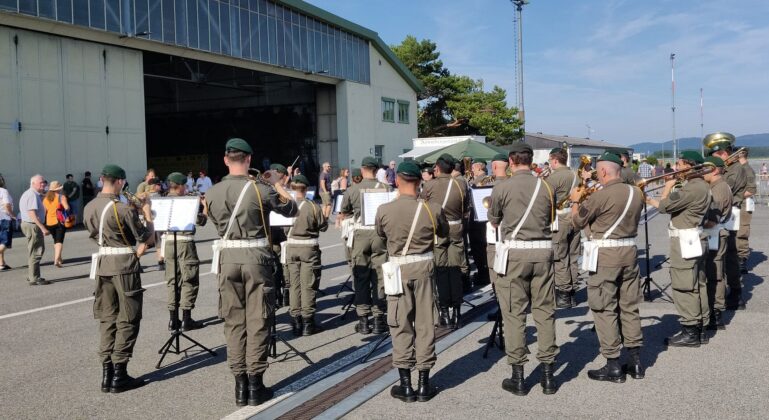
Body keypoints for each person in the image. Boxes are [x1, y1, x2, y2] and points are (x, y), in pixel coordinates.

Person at [205, 138, 297, 407]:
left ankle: (239, 385)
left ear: (225, 159)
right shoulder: (260, 189)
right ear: (249, 160)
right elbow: (291, 209)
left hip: (226, 259)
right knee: (258, 319)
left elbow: (212, 220)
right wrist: (279, 184)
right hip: (256, 258)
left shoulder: (212, 192)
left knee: (233, 321)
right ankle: (256, 384)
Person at [488, 142, 557, 396]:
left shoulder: (502, 186)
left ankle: (518, 377)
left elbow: (494, 222)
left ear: (511, 160)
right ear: (530, 160)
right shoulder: (547, 186)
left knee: (514, 314)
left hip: (515, 254)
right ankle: (548, 375)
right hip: (543, 252)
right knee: (545, 311)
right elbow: (550, 218)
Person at [376, 161, 448, 403]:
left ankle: (405, 385)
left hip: (398, 270)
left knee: (400, 323)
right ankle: (424, 383)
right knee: (425, 323)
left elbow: (381, 235)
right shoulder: (432, 209)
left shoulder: (384, 210)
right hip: (425, 268)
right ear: (420, 182)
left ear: (397, 181)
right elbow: (444, 233)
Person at [571, 152, 645, 383]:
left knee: (604, 308)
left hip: (606, 255)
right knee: (629, 306)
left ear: (603, 171)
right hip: (629, 252)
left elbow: (577, 222)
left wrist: (575, 200)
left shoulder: (600, 196)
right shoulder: (636, 192)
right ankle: (635, 361)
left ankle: (613, 363)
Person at [83, 164, 153, 393]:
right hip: (124, 263)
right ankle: (120, 373)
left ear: (102, 179)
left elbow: (93, 234)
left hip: (103, 263)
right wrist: (146, 212)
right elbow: (145, 237)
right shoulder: (121, 208)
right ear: (121, 182)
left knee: (107, 318)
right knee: (129, 318)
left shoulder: (89, 206)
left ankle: (107, 374)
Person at [646, 151, 711, 346]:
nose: (676, 168)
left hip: (685, 240)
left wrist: (665, 187)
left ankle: (690, 330)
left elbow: (665, 206)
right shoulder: (701, 186)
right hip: (695, 237)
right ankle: (701, 327)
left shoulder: (691, 188)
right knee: (698, 284)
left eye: (680, 164)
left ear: (689, 166)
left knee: (684, 286)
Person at [337, 156, 392, 335]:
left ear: (362, 170)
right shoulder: (386, 188)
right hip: (379, 235)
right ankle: (378, 319)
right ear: (376, 171)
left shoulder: (353, 189)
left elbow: (344, 212)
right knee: (380, 276)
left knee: (361, 276)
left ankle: (362, 320)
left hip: (360, 235)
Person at [421, 154, 469, 330]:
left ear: (438, 168)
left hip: (437, 231)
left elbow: (424, 208)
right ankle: (457, 311)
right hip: (456, 228)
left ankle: (444, 313)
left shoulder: (429, 185)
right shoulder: (461, 184)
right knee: (455, 270)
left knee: (441, 270)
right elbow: (466, 209)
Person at [706, 133, 747, 309]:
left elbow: (723, 188)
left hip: (729, 214)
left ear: (723, 153)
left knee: (728, 256)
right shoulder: (730, 167)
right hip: (725, 213)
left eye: (715, 157)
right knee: (725, 255)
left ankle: (734, 294)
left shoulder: (735, 169)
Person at [285, 174, 328, 336]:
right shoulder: (312, 206)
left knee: (294, 285)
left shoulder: (287, 206)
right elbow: (323, 226)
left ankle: (295, 320)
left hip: (291, 247)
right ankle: (308, 322)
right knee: (308, 285)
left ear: (292, 188)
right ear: (306, 188)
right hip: (309, 248)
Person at [163, 172, 204, 332]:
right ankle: (187, 318)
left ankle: (173, 320)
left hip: (168, 242)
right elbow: (201, 221)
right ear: (179, 186)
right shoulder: (187, 202)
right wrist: (204, 207)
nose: (186, 188)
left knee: (172, 280)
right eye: (185, 186)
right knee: (189, 279)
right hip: (185, 243)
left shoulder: (162, 201)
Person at [547, 148, 580, 308]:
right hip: (575, 216)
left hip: (559, 218)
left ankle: (564, 294)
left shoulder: (553, 178)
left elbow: (546, 200)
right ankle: (573, 292)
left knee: (560, 257)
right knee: (573, 256)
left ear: (554, 160)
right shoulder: (576, 175)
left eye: (550, 161)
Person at [701, 156, 731, 331]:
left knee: (716, 273)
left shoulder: (719, 188)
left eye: (705, 169)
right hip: (716, 233)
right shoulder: (717, 186)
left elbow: (713, 220)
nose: (702, 172)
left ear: (715, 170)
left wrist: (692, 223)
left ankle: (716, 312)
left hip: (715, 233)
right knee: (715, 272)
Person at [19, 175, 50, 285]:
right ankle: (34, 278)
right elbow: (32, 213)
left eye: (44, 182)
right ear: (33, 183)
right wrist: (42, 227)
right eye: (41, 182)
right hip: (33, 225)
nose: (44, 184)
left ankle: (32, 275)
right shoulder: (32, 195)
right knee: (37, 251)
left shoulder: (32, 194)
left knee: (33, 250)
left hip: (29, 224)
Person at [467, 159, 493, 288]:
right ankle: (484, 272)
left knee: (479, 247)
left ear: (478, 168)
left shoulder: (483, 181)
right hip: (482, 219)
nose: (471, 170)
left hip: (479, 219)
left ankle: (484, 274)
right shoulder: (480, 180)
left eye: (473, 167)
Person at [268, 164, 291, 307]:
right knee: (281, 265)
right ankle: (283, 294)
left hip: (273, 233)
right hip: (278, 233)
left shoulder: (267, 189)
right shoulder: (279, 192)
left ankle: (279, 295)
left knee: (276, 265)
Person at [42, 181, 71, 267]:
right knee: (59, 241)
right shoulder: (61, 197)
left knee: (55, 240)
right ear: (59, 189)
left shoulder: (45, 199)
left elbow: (44, 212)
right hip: (59, 221)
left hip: (49, 222)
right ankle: (56, 259)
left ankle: (60, 258)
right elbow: (67, 208)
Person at [737, 149, 755, 273]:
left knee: (742, 231)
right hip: (737, 203)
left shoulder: (747, 169)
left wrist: (734, 196)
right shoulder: (738, 168)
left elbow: (751, 190)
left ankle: (742, 260)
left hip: (743, 204)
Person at [0, 173, 15, 270]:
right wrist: (12, 215)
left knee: (0, 242)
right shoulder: (3, 191)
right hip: (4, 218)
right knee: (5, 242)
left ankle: (1, 264)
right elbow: (6, 205)